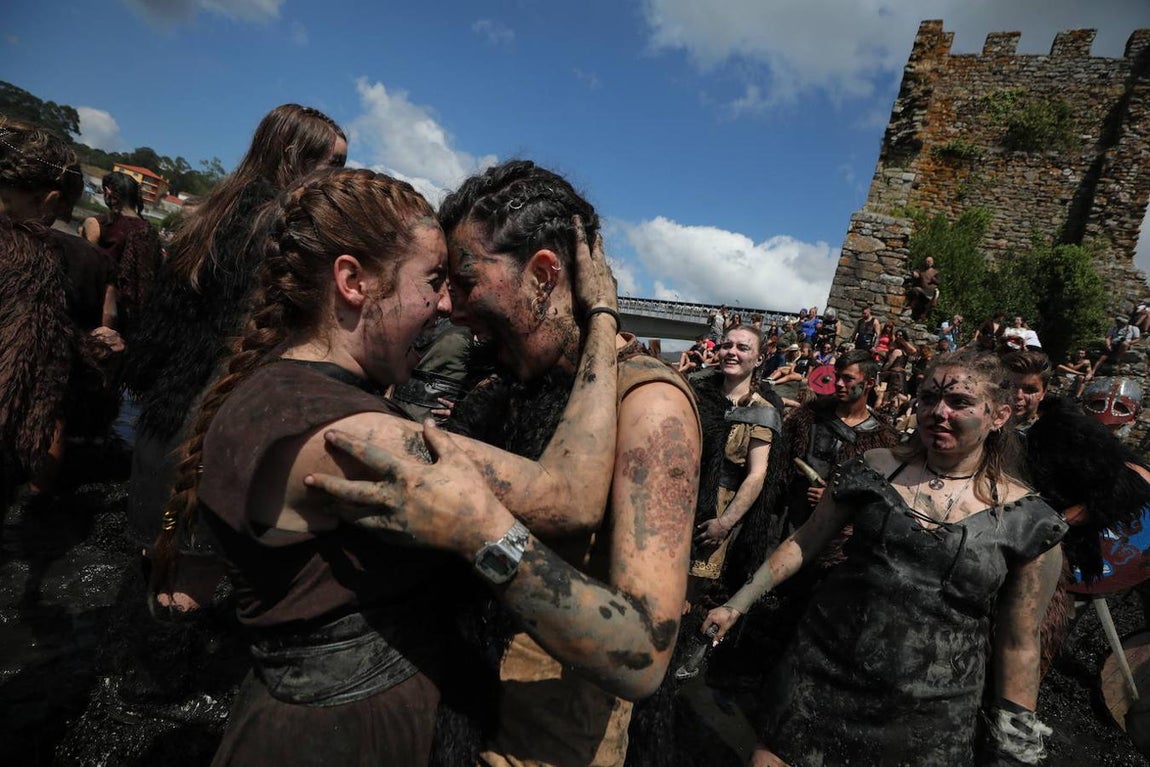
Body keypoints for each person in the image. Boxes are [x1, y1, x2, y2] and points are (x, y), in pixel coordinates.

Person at [150, 166, 626, 765]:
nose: (446, 305)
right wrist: (604, 317)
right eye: (432, 281)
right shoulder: (342, 434)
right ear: (353, 281)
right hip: (339, 742)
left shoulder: (288, 391)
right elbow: (571, 495)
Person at [306, 160, 701, 766]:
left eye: (464, 282)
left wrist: (484, 536)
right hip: (448, 722)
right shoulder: (504, 380)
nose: (446, 305)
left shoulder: (649, 407)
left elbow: (645, 653)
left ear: (544, 274)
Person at [704, 350, 1067, 766]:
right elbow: (805, 541)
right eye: (929, 398)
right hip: (821, 677)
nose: (938, 412)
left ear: (999, 415)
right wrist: (736, 604)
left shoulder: (1029, 523)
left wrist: (1015, 744)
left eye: (959, 402)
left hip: (930, 715)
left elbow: (1020, 642)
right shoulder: (872, 469)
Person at [123, 103, 348, 612]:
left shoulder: (206, 217)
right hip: (212, 432)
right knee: (188, 591)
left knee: (151, 571)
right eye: (333, 162)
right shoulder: (284, 234)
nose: (340, 175)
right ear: (294, 156)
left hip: (163, 424)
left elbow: (155, 339)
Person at [689, 325, 782, 606]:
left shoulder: (763, 411)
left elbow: (757, 474)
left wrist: (724, 523)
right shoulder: (695, 392)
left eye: (743, 348)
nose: (731, 352)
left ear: (759, 359)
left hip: (715, 510)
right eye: (727, 345)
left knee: (686, 596)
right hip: (680, 497)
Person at [81, 171, 164, 339]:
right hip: (138, 315)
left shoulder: (97, 223)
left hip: (100, 313)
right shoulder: (151, 232)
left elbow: (87, 271)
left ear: (108, 192)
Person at [907, 255, 940, 321]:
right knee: (915, 290)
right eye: (927, 261)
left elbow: (939, 282)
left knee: (929, 304)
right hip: (922, 290)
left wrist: (934, 280)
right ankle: (911, 306)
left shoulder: (935, 272)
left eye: (929, 261)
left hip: (930, 292)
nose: (928, 263)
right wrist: (915, 273)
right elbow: (916, 272)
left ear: (932, 263)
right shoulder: (922, 270)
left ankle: (922, 317)